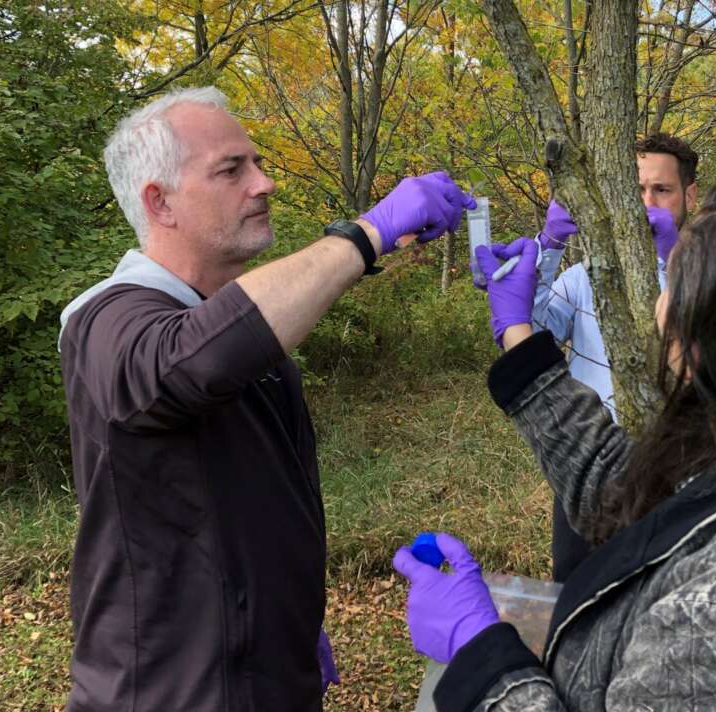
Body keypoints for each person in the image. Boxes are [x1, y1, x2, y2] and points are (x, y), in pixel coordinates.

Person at [394, 182, 716, 710]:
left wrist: (481, 659)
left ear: (710, 349)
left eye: (675, 282)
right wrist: (519, 335)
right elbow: (629, 497)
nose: (660, 304)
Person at [57, 86, 474, 712]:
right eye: (232, 170)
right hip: (170, 692)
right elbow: (183, 362)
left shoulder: (250, 342)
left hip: (265, 674)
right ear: (159, 202)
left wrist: (285, 625)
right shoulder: (106, 320)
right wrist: (365, 235)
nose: (265, 183)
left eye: (257, 163)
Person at [532, 133, 698, 581]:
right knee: (577, 591)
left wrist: (675, 264)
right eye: (636, 190)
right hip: (589, 468)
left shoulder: (712, 277)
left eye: (661, 190)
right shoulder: (584, 277)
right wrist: (548, 246)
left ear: (689, 196)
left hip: (678, 473)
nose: (647, 203)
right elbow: (532, 334)